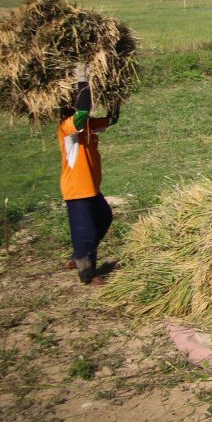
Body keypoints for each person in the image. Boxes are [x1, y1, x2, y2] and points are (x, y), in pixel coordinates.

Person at [58, 63, 119, 285]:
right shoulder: (67, 127)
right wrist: (83, 80)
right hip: (77, 190)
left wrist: (116, 93)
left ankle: (79, 256)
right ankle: (88, 274)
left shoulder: (88, 127)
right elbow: (83, 110)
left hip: (91, 187)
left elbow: (111, 120)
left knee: (104, 218)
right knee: (85, 231)